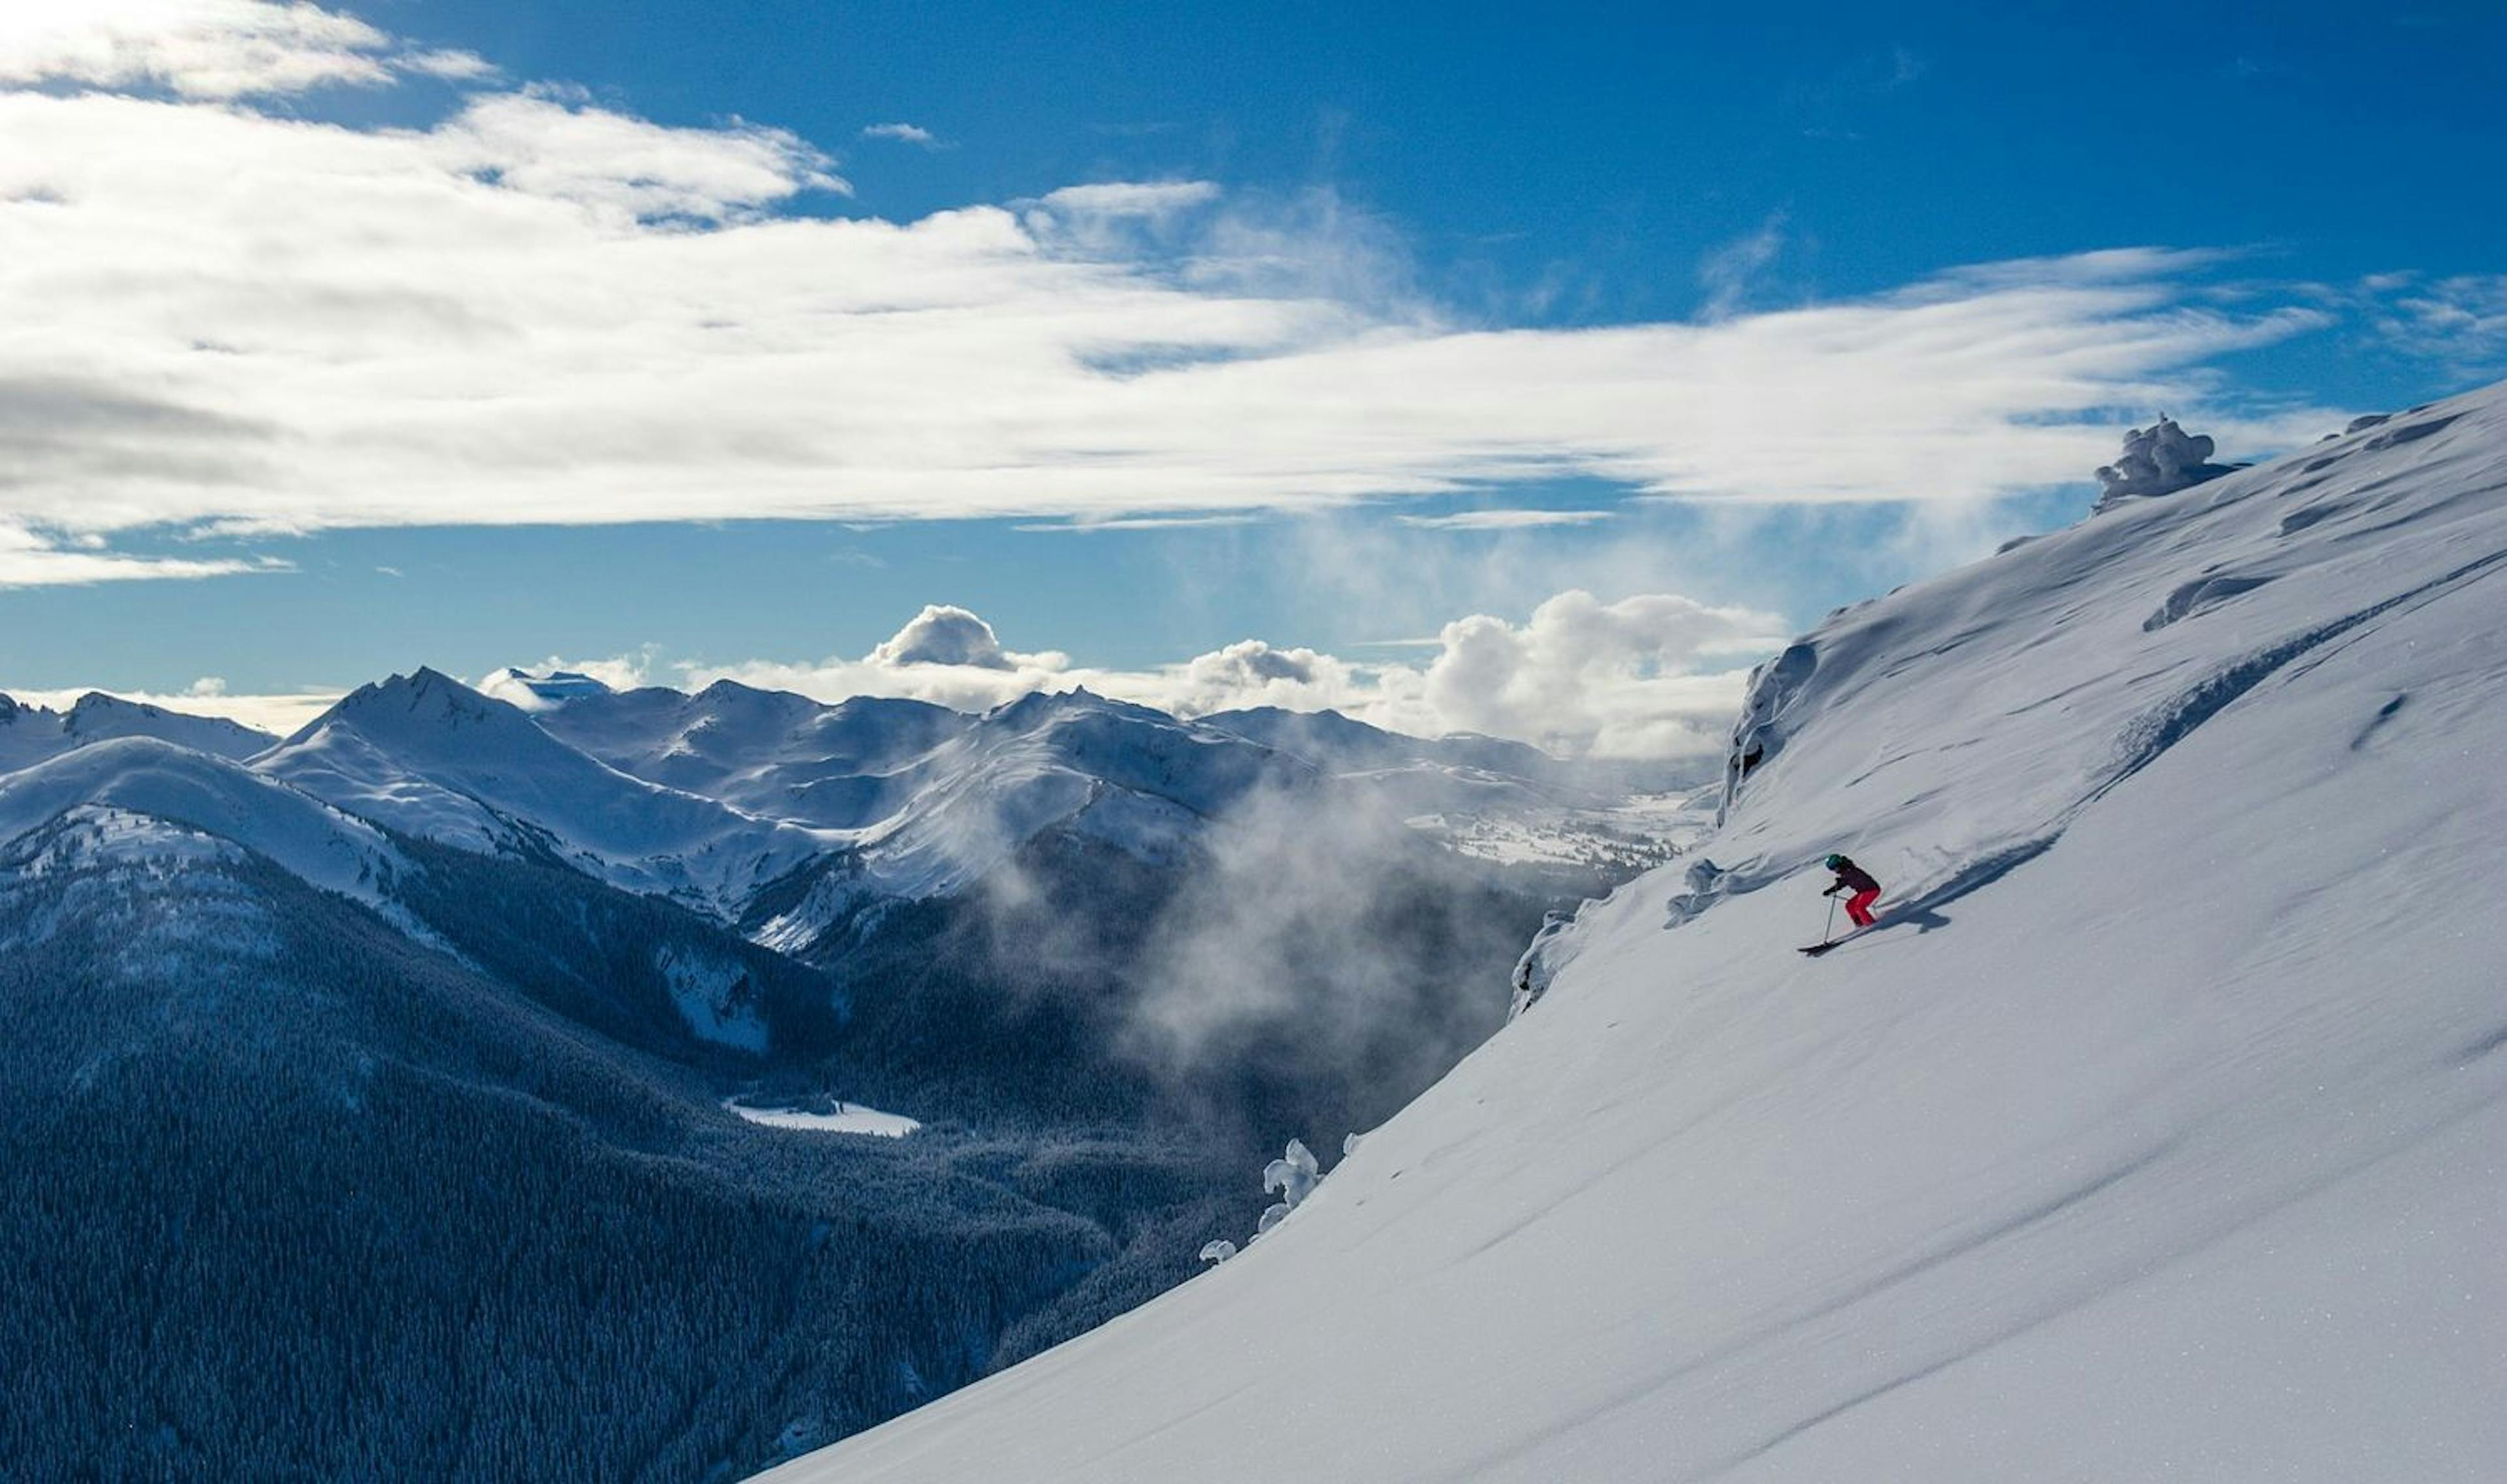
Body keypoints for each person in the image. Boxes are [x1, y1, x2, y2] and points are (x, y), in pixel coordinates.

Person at [1821, 853, 1882, 929]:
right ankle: (1860, 924)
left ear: (1839, 865)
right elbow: (1844, 882)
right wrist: (1831, 890)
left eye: (1835, 868)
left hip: (1871, 890)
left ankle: (1872, 925)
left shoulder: (1849, 870)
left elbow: (1848, 878)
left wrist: (1840, 882)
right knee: (1850, 905)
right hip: (1863, 892)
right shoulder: (1846, 871)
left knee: (1859, 907)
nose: (1835, 871)